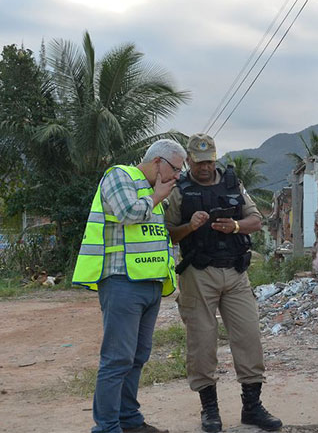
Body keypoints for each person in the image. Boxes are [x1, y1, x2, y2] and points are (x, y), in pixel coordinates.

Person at [165, 133, 281, 433]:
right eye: (199, 162)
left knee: (249, 337)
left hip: (236, 273)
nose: (205, 167)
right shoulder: (180, 190)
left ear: (216, 158)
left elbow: (257, 220)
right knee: (202, 342)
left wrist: (236, 226)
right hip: (198, 275)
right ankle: (210, 411)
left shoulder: (233, 184)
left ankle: (252, 408)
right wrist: (189, 227)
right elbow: (167, 233)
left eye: (209, 161)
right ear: (189, 160)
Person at [72, 139, 186, 433]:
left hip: (149, 284)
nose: (176, 176)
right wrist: (157, 197)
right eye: (175, 169)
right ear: (158, 162)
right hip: (122, 281)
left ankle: (129, 419)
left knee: (137, 356)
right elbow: (128, 214)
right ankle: (107, 426)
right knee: (117, 358)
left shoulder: (155, 191)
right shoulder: (119, 176)